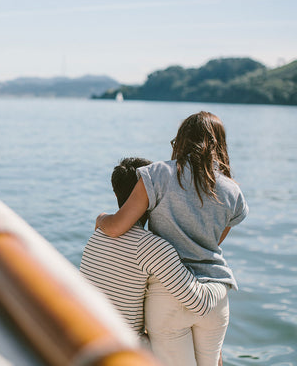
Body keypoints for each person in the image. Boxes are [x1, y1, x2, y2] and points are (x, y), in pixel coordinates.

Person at [95, 111, 248, 366]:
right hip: (215, 295)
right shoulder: (233, 191)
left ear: (181, 140)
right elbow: (214, 242)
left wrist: (101, 219)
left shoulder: (156, 174)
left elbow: (118, 227)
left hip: (169, 294)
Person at [80, 157, 226, 345]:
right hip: (118, 348)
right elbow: (199, 303)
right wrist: (223, 283)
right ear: (150, 195)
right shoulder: (151, 247)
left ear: (116, 195)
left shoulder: (99, 234)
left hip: (85, 335)